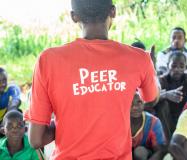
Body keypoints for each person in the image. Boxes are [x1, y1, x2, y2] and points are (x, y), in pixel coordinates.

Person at [24, 0, 159, 159]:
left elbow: (36, 139)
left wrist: (66, 124)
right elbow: (152, 98)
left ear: (74, 16)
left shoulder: (48, 60)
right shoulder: (139, 58)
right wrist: (152, 70)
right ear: (113, 12)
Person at [155, 51, 187, 139]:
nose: (177, 69)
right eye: (173, 66)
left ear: (186, 68)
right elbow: (150, 100)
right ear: (168, 65)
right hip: (166, 118)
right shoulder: (161, 81)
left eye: (181, 66)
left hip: (185, 117)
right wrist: (166, 95)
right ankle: (167, 141)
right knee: (162, 104)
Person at [131, 92, 166, 160]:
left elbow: (159, 151)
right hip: (124, 154)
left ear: (144, 103)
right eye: (130, 103)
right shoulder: (120, 121)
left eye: (139, 102)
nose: (134, 107)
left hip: (145, 155)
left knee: (140, 152)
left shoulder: (153, 122)